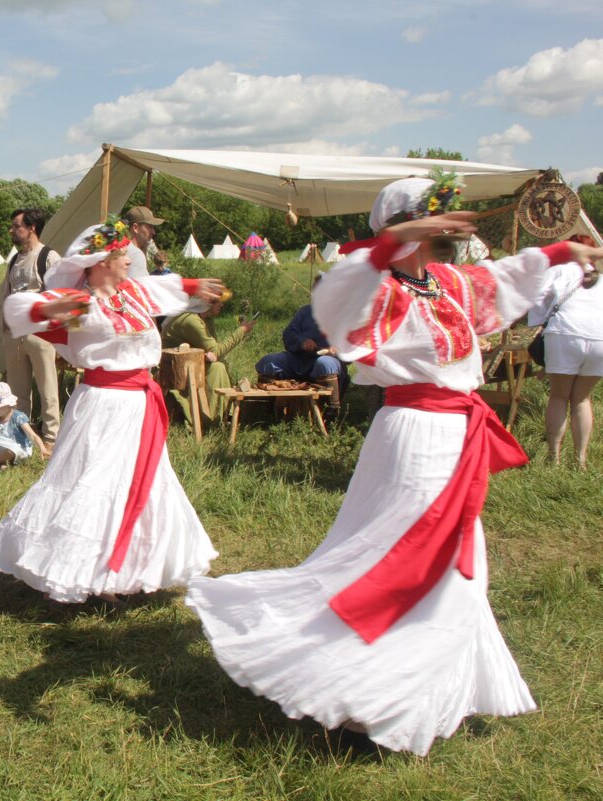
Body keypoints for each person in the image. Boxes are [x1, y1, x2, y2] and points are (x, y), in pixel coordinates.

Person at [186, 172, 603, 756]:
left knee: (450, 569)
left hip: (455, 435)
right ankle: (358, 701)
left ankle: (407, 690)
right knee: (396, 563)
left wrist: (564, 249)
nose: (453, 230)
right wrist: (392, 243)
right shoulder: (376, 285)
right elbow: (336, 300)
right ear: (408, 228)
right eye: (439, 220)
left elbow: (505, 278)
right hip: (412, 437)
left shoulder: (447, 283)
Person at [0, 218, 223, 603]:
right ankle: (79, 568)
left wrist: (196, 286)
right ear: (103, 260)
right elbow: (19, 308)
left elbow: (169, 288)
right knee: (95, 483)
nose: (129, 261)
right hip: (102, 405)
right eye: (123, 255)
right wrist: (52, 308)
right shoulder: (84, 304)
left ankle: (122, 568)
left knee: (137, 484)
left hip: (139, 404)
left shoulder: (135, 293)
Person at [528, 233, 603, 468]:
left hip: (565, 333)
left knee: (559, 396)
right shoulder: (600, 277)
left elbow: (536, 296)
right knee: (581, 398)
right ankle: (580, 460)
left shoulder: (559, 270)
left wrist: (537, 324)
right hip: (600, 336)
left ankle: (554, 458)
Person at [2, 207, 62, 453]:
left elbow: (59, 296)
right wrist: (5, 329)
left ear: (32, 228)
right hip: (15, 335)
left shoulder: (48, 257)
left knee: (47, 389)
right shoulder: (14, 260)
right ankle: (21, 435)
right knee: (17, 391)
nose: (12, 230)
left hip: (40, 334)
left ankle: (51, 438)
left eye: (16, 226)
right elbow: (7, 296)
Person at [254, 276, 350, 421]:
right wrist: (302, 341)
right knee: (268, 362)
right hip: (299, 359)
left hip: (327, 362)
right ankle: (267, 407)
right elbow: (288, 334)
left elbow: (352, 345)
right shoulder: (305, 312)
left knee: (325, 363)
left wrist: (337, 350)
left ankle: (332, 410)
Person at [161, 287, 254, 422]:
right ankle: (210, 417)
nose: (222, 305)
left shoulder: (206, 319)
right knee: (217, 368)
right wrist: (241, 331)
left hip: (190, 361)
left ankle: (222, 414)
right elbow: (216, 350)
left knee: (219, 364)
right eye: (219, 302)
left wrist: (213, 354)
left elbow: (214, 351)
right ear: (208, 304)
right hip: (174, 367)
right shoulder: (191, 321)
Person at [122, 205, 165, 280]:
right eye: (149, 227)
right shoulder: (136, 254)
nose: (153, 232)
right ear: (135, 228)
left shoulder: (121, 249)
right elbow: (139, 288)